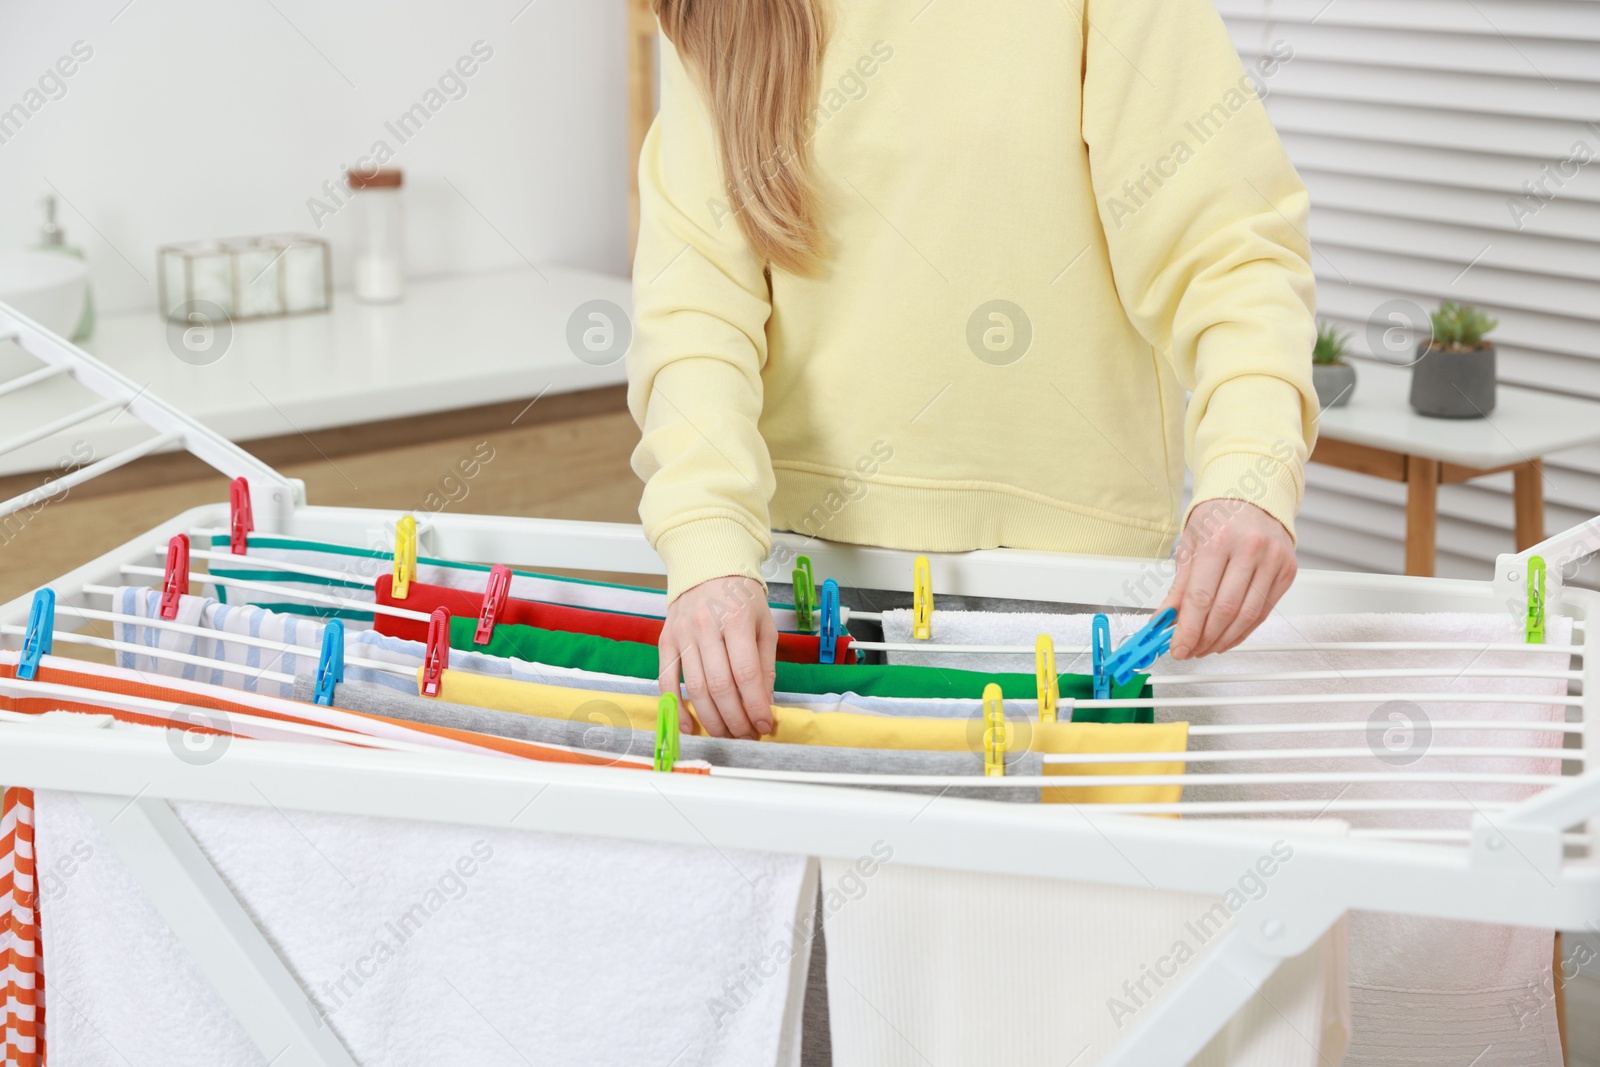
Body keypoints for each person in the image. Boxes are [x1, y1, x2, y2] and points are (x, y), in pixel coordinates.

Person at [628, 0, 1315, 740]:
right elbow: (695, 307)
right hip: (794, 588)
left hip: (1062, 595)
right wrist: (707, 546)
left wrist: (1250, 467)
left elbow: (1225, 248)